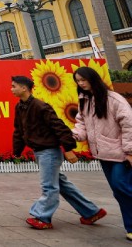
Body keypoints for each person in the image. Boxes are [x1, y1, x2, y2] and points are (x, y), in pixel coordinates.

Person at [11, 75, 106, 230]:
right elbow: (19, 131)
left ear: (24, 88)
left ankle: (42, 217)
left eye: (14, 86)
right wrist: (17, 150)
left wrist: (68, 148)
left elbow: (59, 127)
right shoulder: (20, 107)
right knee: (62, 185)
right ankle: (91, 212)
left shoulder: (40, 106)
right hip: (39, 152)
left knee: (49, 187)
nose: (12, 89)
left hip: (49, 152)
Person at [71, 66, 132, 241]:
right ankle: (130, 227)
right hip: (103, 154)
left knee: (122, 187)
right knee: (118, 191)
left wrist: (129, 151)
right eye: (78, 81)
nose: (81, 84)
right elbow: (81, 122)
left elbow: (129, 124)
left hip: (121, 154)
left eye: (83, 80)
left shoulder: (114, 99)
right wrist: (74, 135)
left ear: (93, 79)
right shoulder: (84, 100)